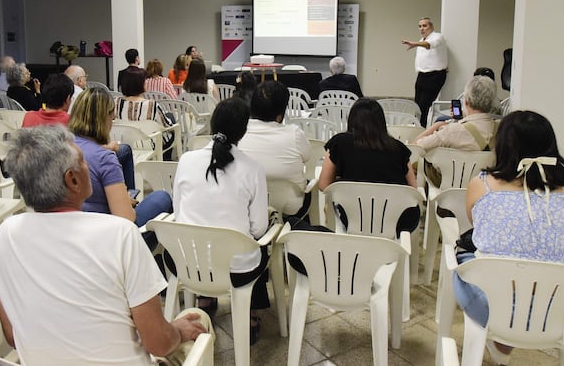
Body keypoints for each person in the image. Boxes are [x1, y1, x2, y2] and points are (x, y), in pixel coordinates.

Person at [0, 125, 210, 366]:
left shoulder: (6, 233)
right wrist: (178, 330)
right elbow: (158, 343)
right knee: (198, 319)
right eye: (84, 161)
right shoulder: (120, 235)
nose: (88, 167)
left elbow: (13, 335)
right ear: (72, 179)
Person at [454, 111, 564, 365]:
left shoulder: (482, 185)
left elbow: (479, 227)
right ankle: (505, 342)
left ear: (503, 146)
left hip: (492, 305)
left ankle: (502, 341)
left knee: (467, 256)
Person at [172, 97, 269, 343]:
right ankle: (249, 316)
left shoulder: (186, 160)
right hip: (237, 270)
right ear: (243, 132)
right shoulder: (253, 168)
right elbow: (259, 229)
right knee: (262, 245)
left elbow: (178, 209)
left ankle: (204, 299)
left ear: (213, 124)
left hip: (189, 263)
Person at [69, 87, 172, 227]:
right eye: (112, 116)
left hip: (72, 226)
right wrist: (125, 204)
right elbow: (126, 219)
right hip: (107, 232)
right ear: (106, 118)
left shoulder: (62, 147)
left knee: (124, 150)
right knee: (162, 197)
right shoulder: (106, 159)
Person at [318, 97, 420, 233]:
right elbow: (413, 189)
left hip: (355, 217)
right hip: (399, 219)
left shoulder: (340, 143)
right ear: (381, 122)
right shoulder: (398, 147)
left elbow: (323, 185)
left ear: (351, 120)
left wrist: (343, 182)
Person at [238, 80, 312, 218]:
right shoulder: (294, 134)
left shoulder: (239, 132)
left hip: (248, 205)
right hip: (290, 208)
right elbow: (307, 157)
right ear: (279, 116)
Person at [414, 75, 498, 152]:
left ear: (466, 101)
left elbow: (416, 146)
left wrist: (436, 126)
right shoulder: (502, 129)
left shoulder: (451, 131)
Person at [116, 67, 176, 158]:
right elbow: (167, 126)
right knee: (170, 120)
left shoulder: (116, 102)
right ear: (141, 84)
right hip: (149, 144)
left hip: (125, 142)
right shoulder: (151, 105)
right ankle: (166, 160)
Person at [402, 17, 448, 126]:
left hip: (434, 76)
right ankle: (417, 126)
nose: (422, 28)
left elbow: (429, 45)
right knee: (417, 105)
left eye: (424, 26)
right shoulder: (421, 40)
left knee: (424, 105)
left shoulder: (438, 37)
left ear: (431, 26)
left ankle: (421, 128)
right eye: (420, 26)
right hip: (422, 75)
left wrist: (415, 44)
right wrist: (417, 43)